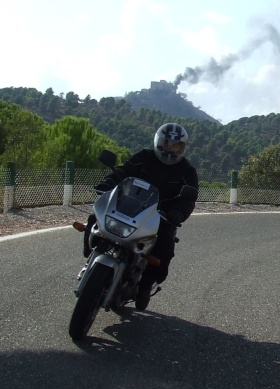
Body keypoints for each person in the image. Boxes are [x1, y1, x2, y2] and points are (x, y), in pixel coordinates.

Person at [84, 122, 199, 310]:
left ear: (182, 147)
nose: (170, 147)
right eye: (167, 142)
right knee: (95, 218)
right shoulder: (144, 156)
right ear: (159, 141)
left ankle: (145, 286)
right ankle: (90, 253)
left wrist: (178, 213)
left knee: (165, 247)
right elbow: (122, 172)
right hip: (129, 207)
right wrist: (106, 184)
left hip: (162, 216)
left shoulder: (187, 171)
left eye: (175, 144)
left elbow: (189, 198)